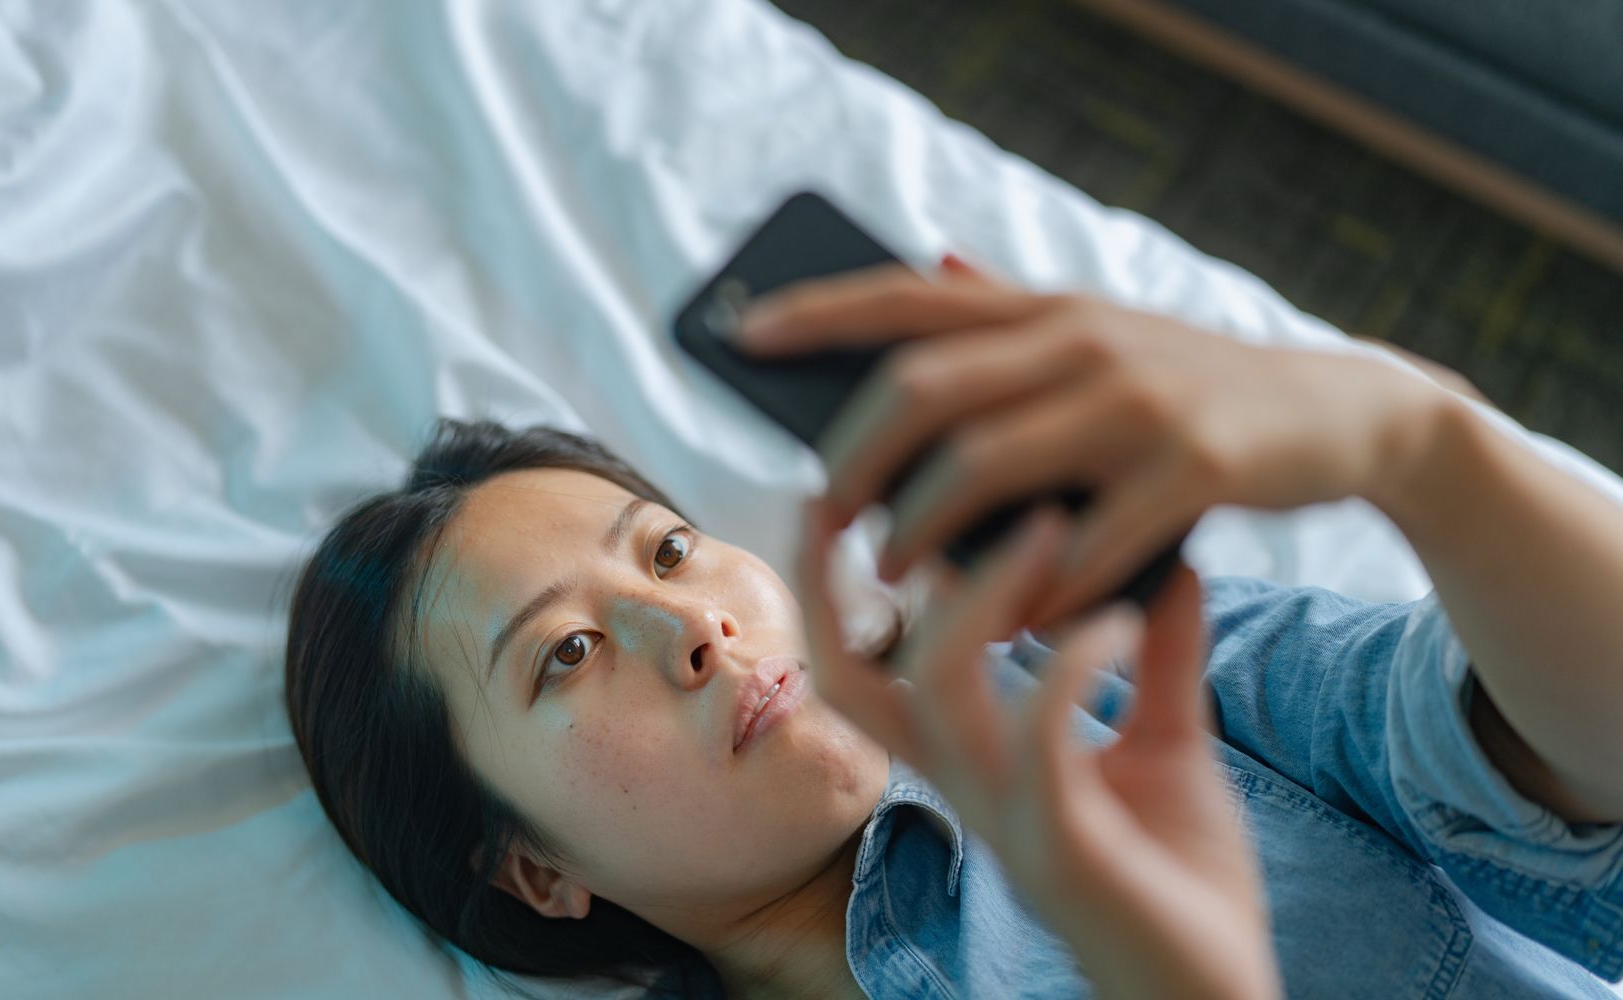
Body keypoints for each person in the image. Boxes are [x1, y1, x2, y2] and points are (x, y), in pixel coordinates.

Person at [282, 256, 1623, 998]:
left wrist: (1418, 446)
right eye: (565, 654)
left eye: (669, 550)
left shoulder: (1094, 673)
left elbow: (1574, 772)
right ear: (533, 874)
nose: (687, 625)